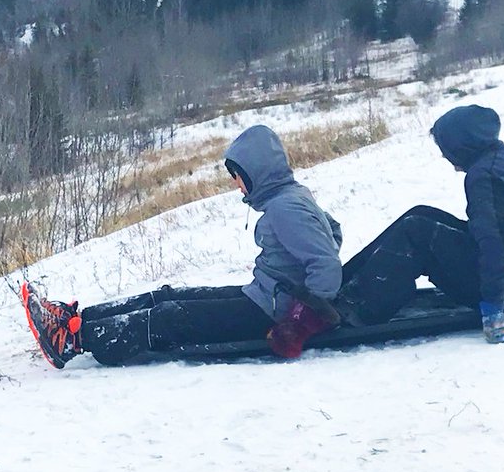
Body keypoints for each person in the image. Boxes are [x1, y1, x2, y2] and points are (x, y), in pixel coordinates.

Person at [24, 124, 344, 368]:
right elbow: (332, 232)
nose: (236, 184)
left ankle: (72, 340)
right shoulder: (291, 197)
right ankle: (78, 319)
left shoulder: (285, 208)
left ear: (257, 173)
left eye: (238, 176)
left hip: (269, 314)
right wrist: (288, 282)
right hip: (265, 296)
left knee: (170, 317)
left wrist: (298, 322)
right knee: (168, 296)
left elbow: (326, 264)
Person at [336, 104, 504, 343]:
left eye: (446, 148)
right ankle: (341, 283)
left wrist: (494, 309)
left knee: (417, 231)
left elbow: (495, 243)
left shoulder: (484, 176)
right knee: (420, 214)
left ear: (462, 145)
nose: (444, 155)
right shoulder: (502, 159)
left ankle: (358, 310)